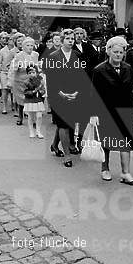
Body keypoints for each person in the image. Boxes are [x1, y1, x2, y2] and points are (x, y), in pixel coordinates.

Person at [89, 36, 133, 184]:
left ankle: (125, 173)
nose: (118, 55)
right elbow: (93, 93)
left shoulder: (128, 68)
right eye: (115, 52)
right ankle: (105, 168)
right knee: (106, 142)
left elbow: (132, 91)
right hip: (106, 110)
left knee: (126, 142)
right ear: (109, 52)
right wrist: (94, 113)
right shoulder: (99, 70)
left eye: (121, 52)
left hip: (125, 110)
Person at [47, 29, 88, 167]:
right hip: (58, 95)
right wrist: (60, 93)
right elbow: (51, 79)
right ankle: (67, 156)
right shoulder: (53, 56)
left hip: (74, 94)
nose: (71, 41)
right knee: (63, 124)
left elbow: (82, 77)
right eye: (68, 39)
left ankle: (54, 145)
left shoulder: (78, 55)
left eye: (72, 38)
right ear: (62, 40)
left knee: (68, 122)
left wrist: (77, 92)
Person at [9, 37, 40, 126]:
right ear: (23, 46)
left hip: (32, 81)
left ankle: (33, 120)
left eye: (31, 45)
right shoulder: (18, 55)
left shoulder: (36, 54)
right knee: (21, 101)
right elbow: (13, 68)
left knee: (32, 100)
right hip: (20, 81)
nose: (30, 47)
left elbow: (37, 67)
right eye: (27, 45)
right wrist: (10, 80)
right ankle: (20, 116)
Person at [22, 66, 47, 138]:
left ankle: (38, 131)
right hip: (30, 100)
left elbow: (43, 91)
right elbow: (25, 92)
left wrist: (41, 90)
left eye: (33, 72)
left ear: (36, 73)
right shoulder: (26, 82)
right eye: (30, 72)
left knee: (39, 116)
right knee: (31, 117)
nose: (32, 74)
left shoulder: (39, 80)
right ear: (27, 74)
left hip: (38, 100)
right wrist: (34, 91)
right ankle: (31, 131)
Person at [0, 33, 17, 114]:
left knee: (13, 90)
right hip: (4, 72)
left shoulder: (16, 50)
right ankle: (4, 106)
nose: (12, 41)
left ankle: (13, 105)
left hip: (13, 72)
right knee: (4, 89)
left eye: (13, 40)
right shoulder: (2, 50)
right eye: (10, 40)